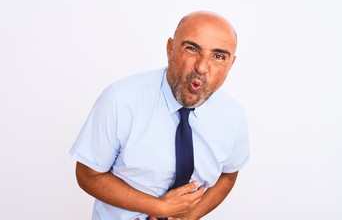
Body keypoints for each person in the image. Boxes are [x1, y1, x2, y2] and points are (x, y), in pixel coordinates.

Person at [70, 11, 249, 220]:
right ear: (170, 48)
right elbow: (87, 174)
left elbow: (228, 174)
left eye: (218, 56)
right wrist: (159, 208)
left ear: (230, 64)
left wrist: (188, 217)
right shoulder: (120, 99)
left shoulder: (233, 116)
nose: (202, 67)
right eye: (192, 49)